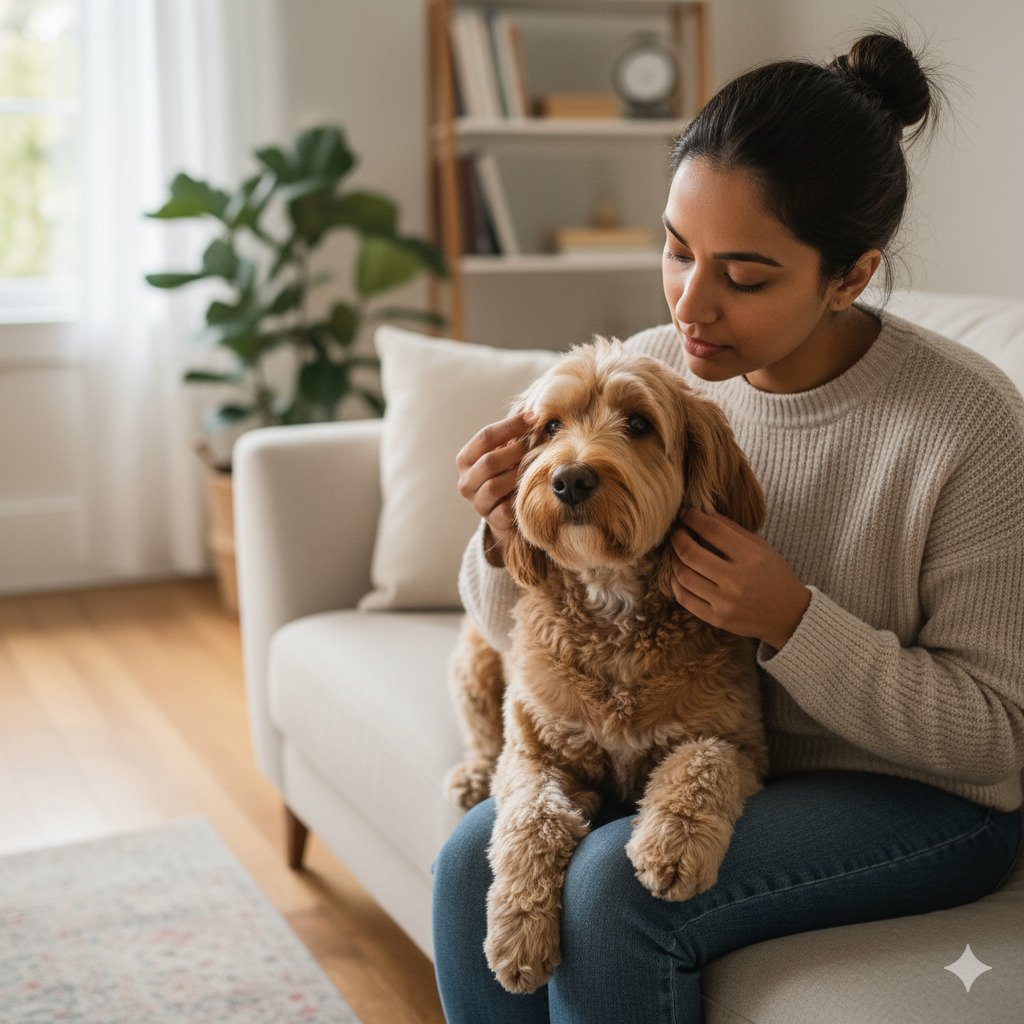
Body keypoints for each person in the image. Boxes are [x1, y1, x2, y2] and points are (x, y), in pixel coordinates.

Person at [431, 29, 1024, 1024]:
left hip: (919, 796)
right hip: (689, 750)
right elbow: (520, 636)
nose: (690, 304)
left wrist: (793, 620)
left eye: (743, 276)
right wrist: (504, 533)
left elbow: (996, 733)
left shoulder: (967, 427)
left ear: (848, 274)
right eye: (675, 249)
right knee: (464, 861)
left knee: (615, 888)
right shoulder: (660, 367)